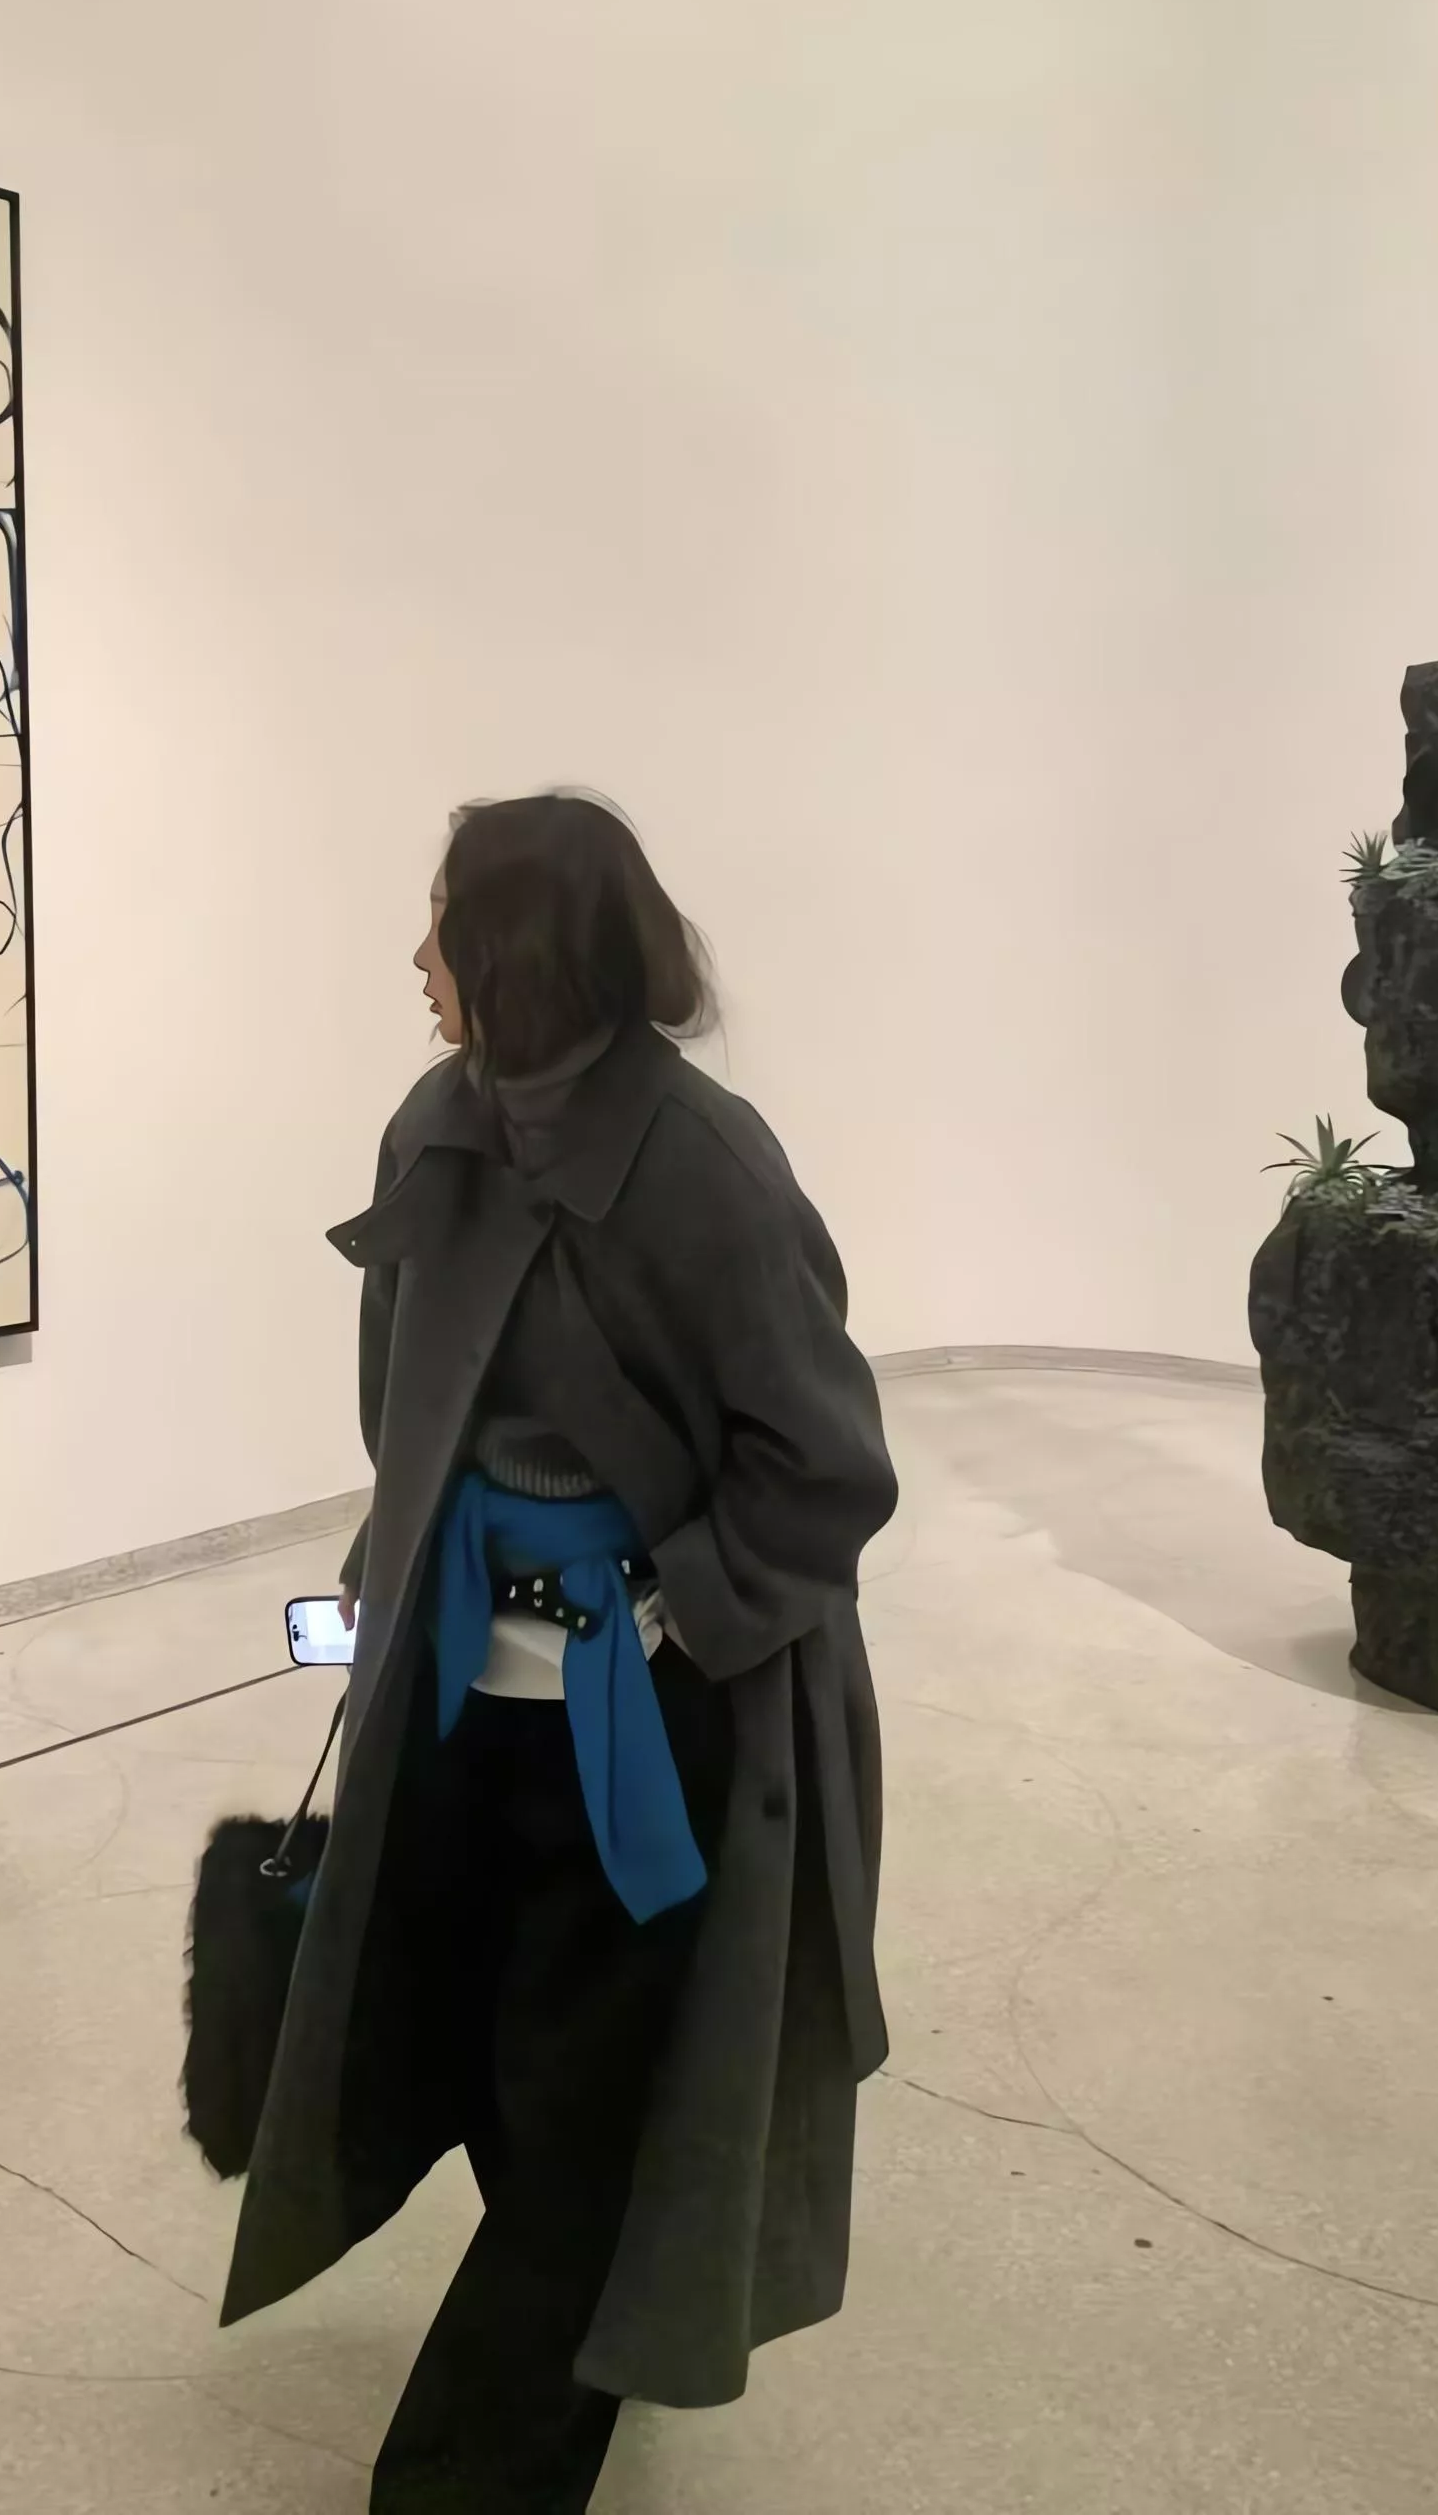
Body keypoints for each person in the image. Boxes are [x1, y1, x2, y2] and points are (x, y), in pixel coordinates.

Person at [221, 790, 899, 2513]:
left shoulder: (707, 1163)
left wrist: (669, 1608)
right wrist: (412, 1581)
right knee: (487, 2051)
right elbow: (402, 1403)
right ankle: (583, 2323)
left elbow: (826, 1468)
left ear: (516, 944)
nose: (418, 957)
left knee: (599, 2107)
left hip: (658, 1728)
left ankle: (467, 2475)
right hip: (460, 1702)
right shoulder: (435, 1127)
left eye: (443, 920)